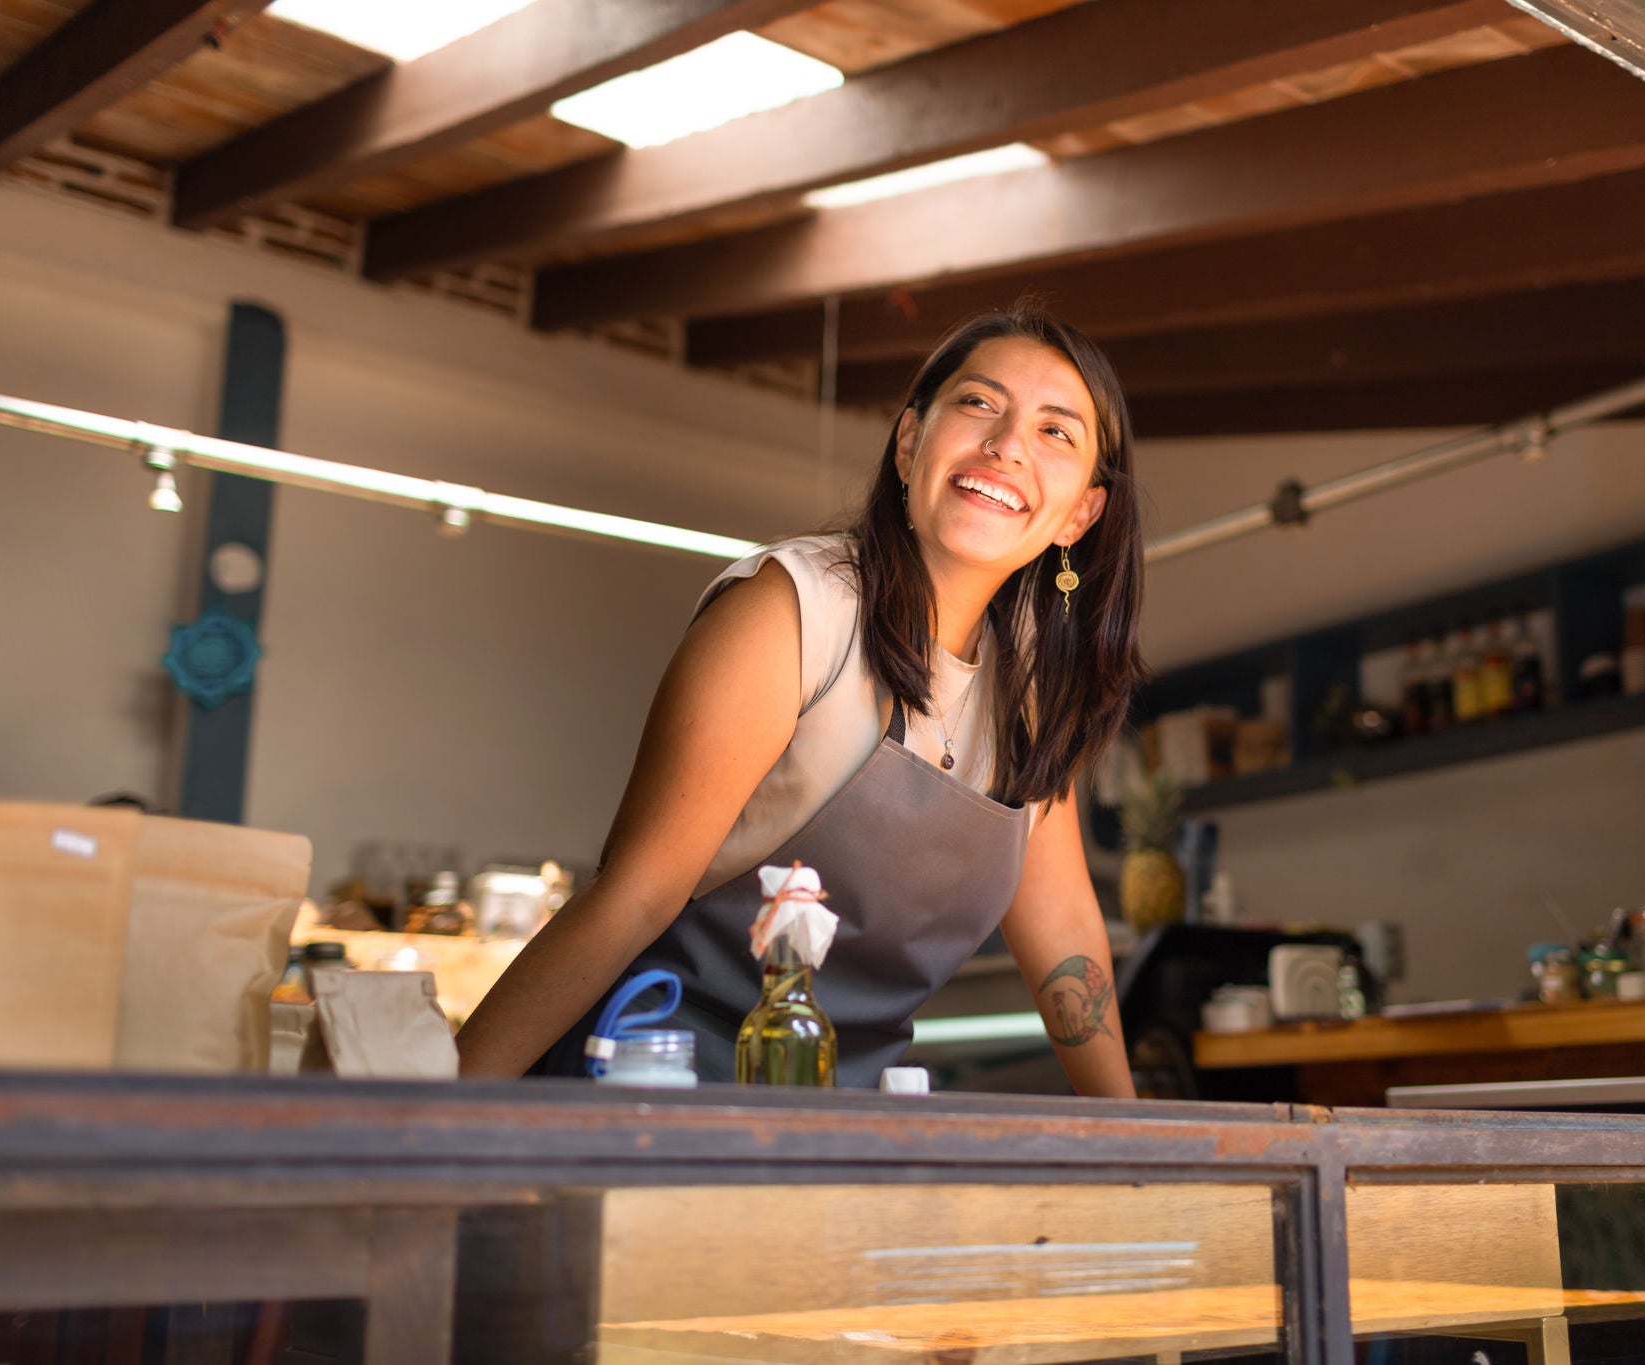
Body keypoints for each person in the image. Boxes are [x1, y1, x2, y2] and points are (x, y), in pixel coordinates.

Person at [454, 305, 1144, 1095]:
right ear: (911, 441)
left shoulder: (1028, 689)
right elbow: (633, 897)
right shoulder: (792, 610)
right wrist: (444, 1114)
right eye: (980, 402)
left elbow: (1062, 933)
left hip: (837, 1132)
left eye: (1056, 431)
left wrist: (1137, 1141)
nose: (1008, 444)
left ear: (1082, 513)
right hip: (650, 1093)